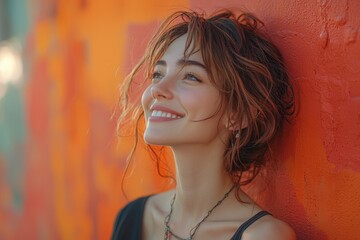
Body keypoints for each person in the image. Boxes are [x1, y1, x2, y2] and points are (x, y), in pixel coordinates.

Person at [112, 9, 296, 240]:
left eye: (191, 76)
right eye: (159, 74)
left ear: (238, 114)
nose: (157, 89)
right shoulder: (133, 217)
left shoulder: (261, 236)